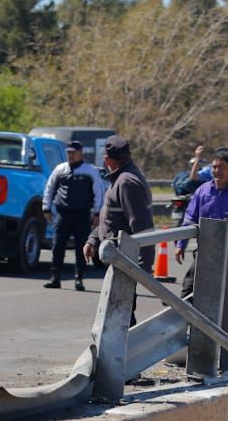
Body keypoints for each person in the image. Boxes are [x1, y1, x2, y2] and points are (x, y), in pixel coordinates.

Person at [174, 147, 228, 299]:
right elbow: (189, 219)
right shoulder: (202, 191)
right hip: (205, 252)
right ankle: (188, 322)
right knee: (188, 291)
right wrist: (180, 245)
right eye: (214, 167)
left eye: (221, 167)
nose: (217, 171)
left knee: (227, 298)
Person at [84, 136, 155, 323]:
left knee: (121, 315)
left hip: (125, 261)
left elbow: (142, 227)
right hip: (117, 260)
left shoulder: (127, 183)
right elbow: (111, 217)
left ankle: (125, 350)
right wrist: (93, 239)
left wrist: (144, 268)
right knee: (117, 313)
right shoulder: (120, 179)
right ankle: (122, 349)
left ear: (107, 160)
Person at [42, 140, 107, 290]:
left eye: (73, 152)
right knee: (58, 246)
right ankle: (55, 278)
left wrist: (97, 213)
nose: (70, 155)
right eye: (68, 152)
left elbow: (99, 192)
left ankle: (79, 278)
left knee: (81, 247)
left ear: (80, 153)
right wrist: (46, 208)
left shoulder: (90, 170)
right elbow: (50, 188)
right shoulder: (60, 169)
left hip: (82, 215)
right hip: (63, 214)